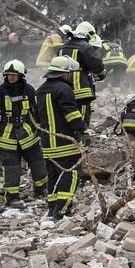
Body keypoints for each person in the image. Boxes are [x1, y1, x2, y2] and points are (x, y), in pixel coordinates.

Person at [0, 60, 48, 207]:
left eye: (14, 75)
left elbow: (36, 111)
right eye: (9, 75)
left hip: (28, 134)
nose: (11, 78)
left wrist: (40, 127)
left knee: (38, 162)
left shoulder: (29, 90)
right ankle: (12, 198)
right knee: (12, 168)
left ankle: (41, 189)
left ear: (21, 76)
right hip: (7, 136)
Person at [35, 56, 87, 218]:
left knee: (53, 175)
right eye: (70, 73)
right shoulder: (64, 89)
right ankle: (62, 210)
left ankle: (52, 208)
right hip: (65, 142)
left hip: (47, 144)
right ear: (65, 73)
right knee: (70, 174)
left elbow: (36, 117)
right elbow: (71, 114)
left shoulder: (40, 90)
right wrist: (83, 131)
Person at [57, 21, 105, 130]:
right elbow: (97, 67)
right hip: (81, 91)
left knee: (67, 114)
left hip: (62, 90)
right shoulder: (86, 47)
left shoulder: (62, 48)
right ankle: (82, 137)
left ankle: (69, 136)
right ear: (88, 34)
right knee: (82, 115)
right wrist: (101, 74)